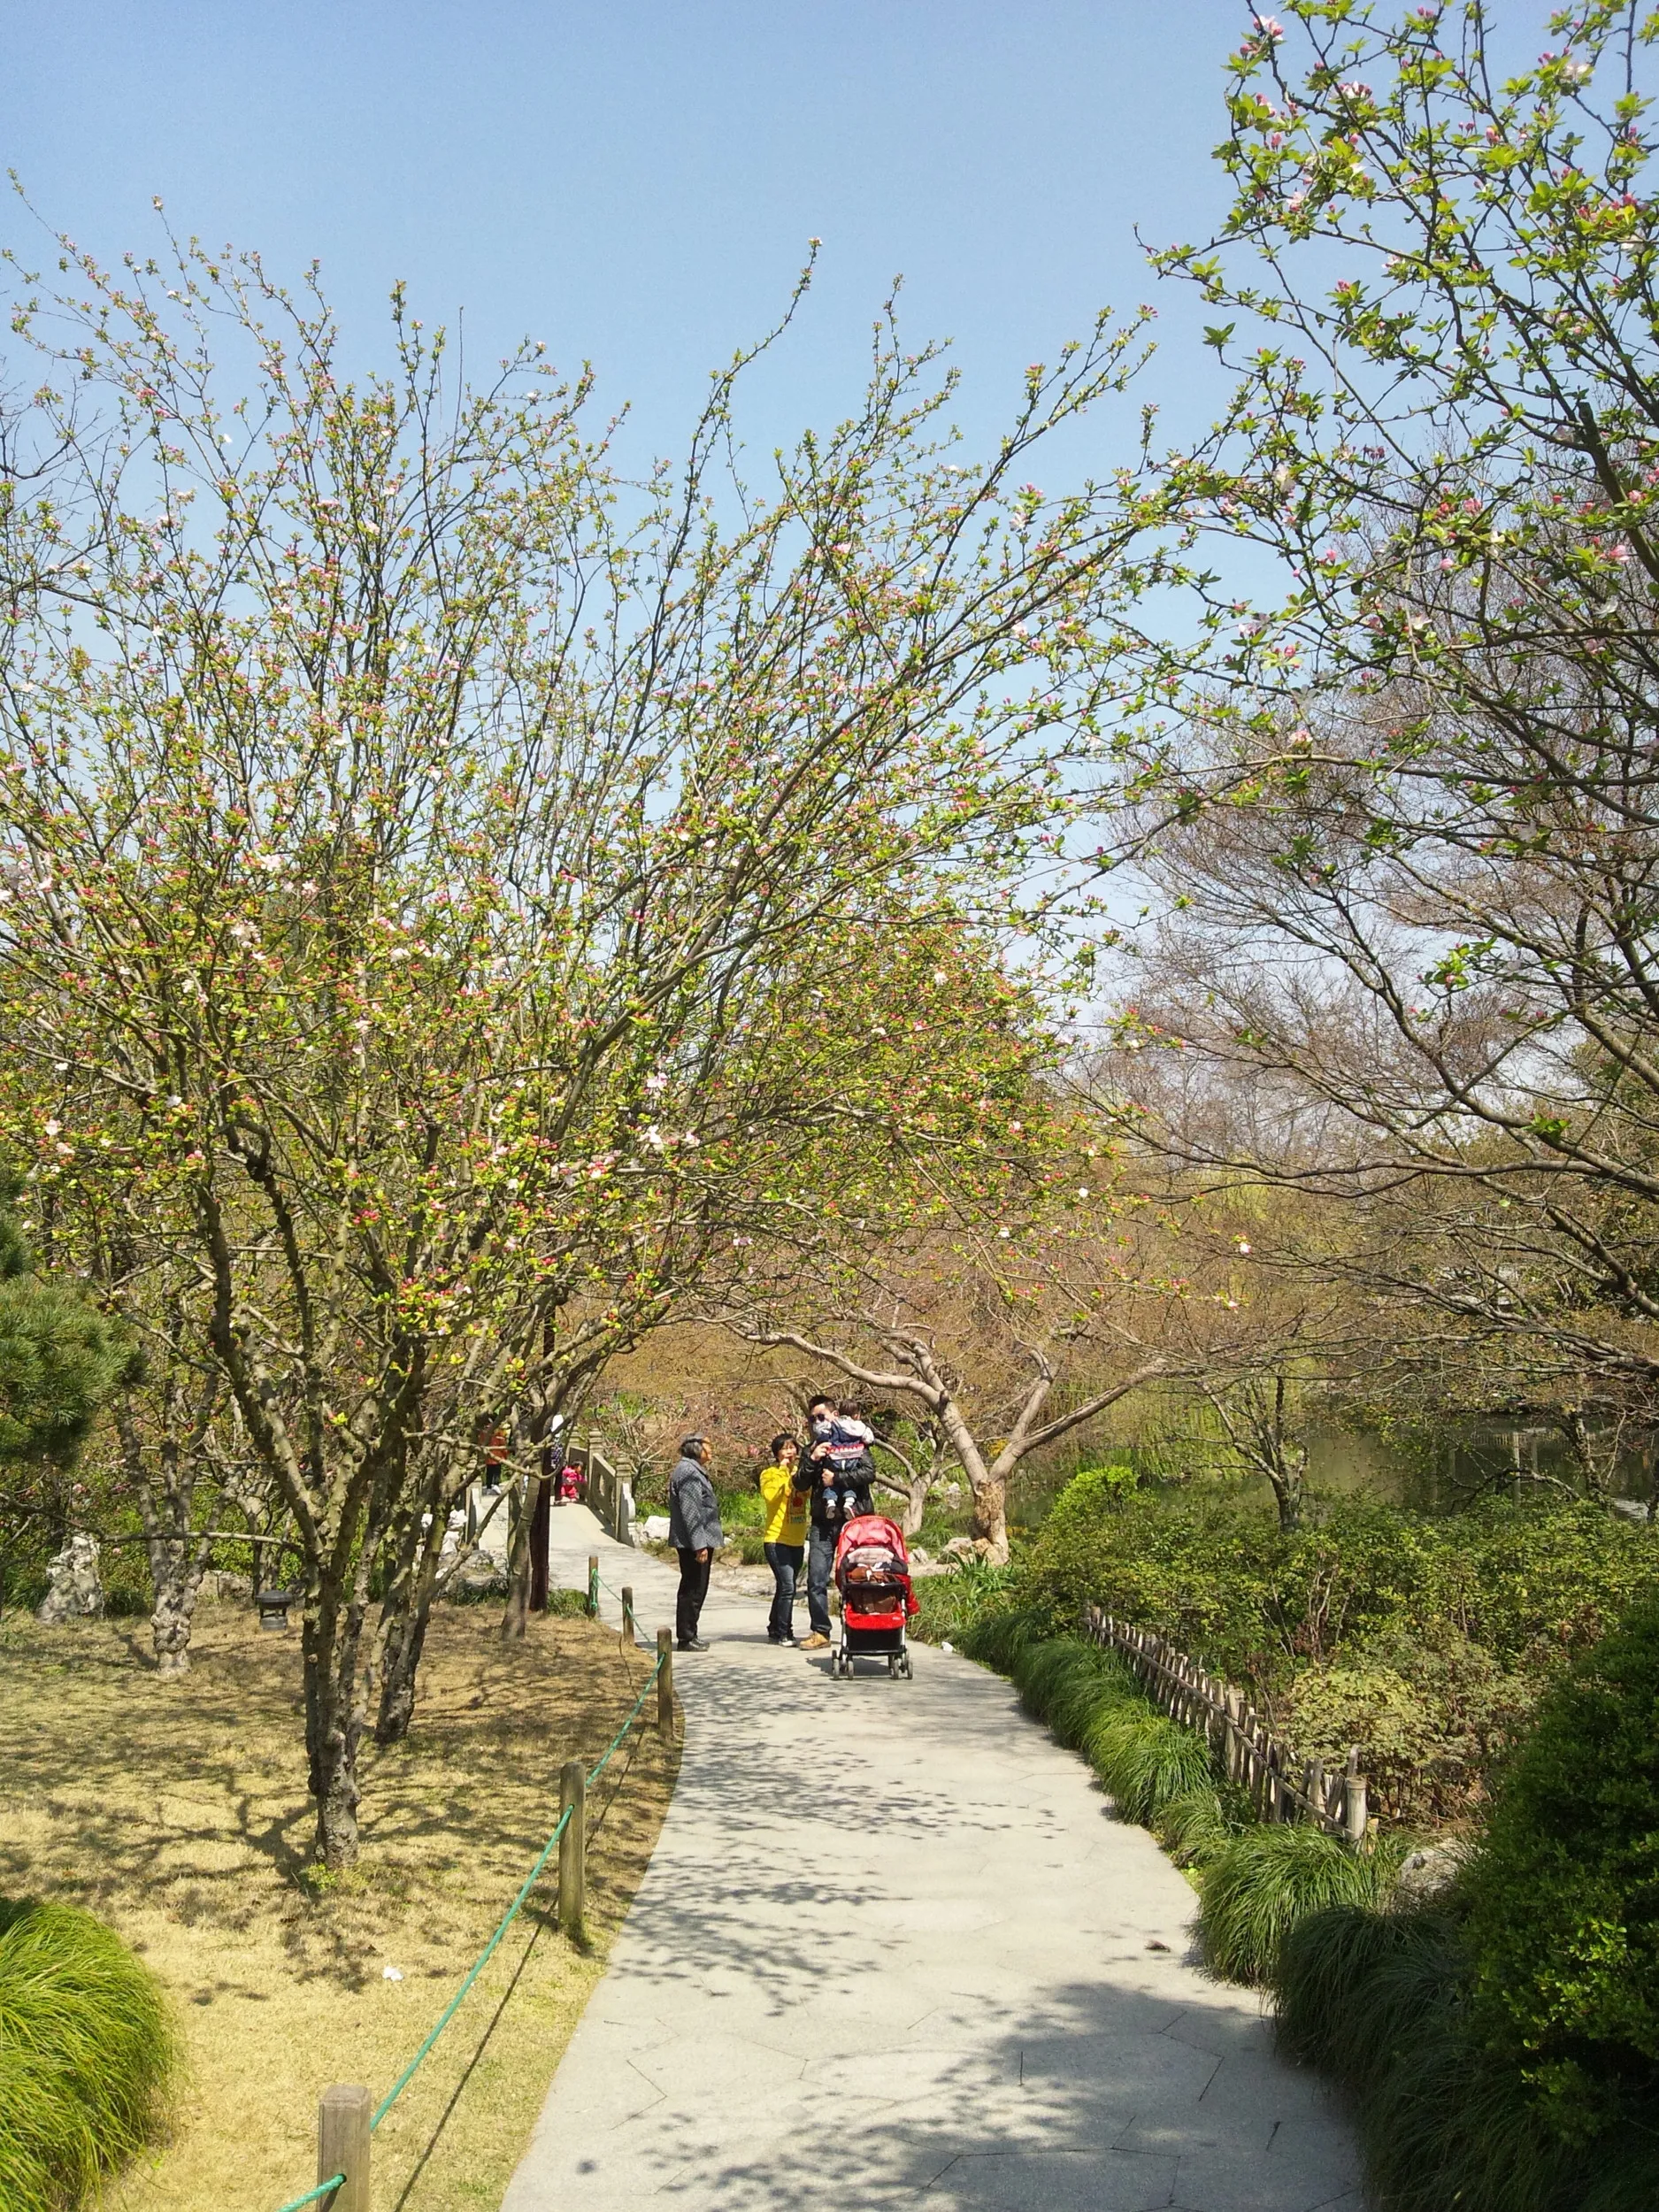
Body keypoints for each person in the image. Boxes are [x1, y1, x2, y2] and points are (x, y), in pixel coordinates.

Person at [794, 1394, 874, 1651]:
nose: (817, 1422)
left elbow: (868, 1473)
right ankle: (820, 1631)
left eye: (821, 1416)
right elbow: (799, 1483)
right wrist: (813, 1459)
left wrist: (836, 1479)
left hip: (856, 1520)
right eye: (813, 1418)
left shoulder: (856, 1442)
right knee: (816, 1579)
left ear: (834, 1416)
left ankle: (861, 1630)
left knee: (858, 1578)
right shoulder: (811, 1449)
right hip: (823, 1522)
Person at [667, 1435, 721, 1651]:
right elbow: (691, 1513)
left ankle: (691, 1633)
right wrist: (700, 1545)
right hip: (693, 1543)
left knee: (697, 1587)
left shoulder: (692, 1470)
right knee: (693, 1589)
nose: (711, 1449)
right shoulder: (688, 1472)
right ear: (696, 1447)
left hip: (698, 1541)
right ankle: (687, 1637)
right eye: (708, 1445)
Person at [757, 1429, 806, 1644]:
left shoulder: (801, 1472)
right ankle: (785, 1632)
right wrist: (784, 1473)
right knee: (788, 1587)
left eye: (792, 1447)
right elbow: (770, 1497)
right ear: (777, 1453)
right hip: (777, 1540)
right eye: (785, 1448)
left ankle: (774, 1627)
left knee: (784, 1586)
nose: (790, 1451)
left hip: (797, 1539)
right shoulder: (769, 1474)